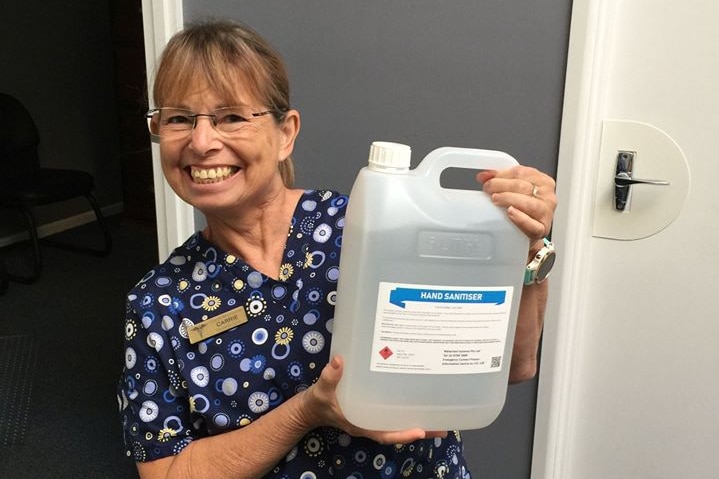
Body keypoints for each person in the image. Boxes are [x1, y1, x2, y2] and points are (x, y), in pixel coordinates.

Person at [117, 19, 557, 479]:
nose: (202, 142)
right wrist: (309, 411)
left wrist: (527, 249)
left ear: (285, 133)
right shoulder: (159, 304)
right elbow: (168, 473)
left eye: (230, 117)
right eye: (179, 119)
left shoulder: (377, 229)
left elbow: (514, 366)